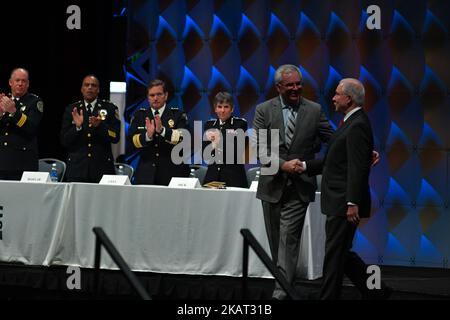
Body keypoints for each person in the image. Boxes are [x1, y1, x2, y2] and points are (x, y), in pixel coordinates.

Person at [301, 78, 391, 300]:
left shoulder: (358, 124)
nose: (333, 97)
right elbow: (335, 159)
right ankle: (378, 291)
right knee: (342, 252)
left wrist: (352, 202)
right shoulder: (350, 122)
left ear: (348, 98)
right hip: (339, 200)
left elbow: (357, 168)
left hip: (343, 201)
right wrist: (303, 166)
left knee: (334, 254)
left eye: (337, 93)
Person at [252, 64, 334, 299]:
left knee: (289, 240)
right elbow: (260, 148)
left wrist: (362, 147)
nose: (296, 88)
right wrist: (282, 165)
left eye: (299, 84)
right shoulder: (264, 110)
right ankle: (285, 282)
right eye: (291, 85)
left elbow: (334, 138)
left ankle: (281, 292)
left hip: (300, 185)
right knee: (276, 240)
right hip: (271, 186)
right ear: (279, 87)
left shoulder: (315, 110)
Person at [128, 79, 189, 185]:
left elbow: (184, 139)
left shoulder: (178, 115)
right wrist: (147, 136)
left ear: (166, 95)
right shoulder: (139, 115)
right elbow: (131, 142)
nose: (155, 98)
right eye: (152, 95)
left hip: (172, 173)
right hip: (145, 174)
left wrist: (162, 131)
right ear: (148, 97)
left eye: (159, 94)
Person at [60, 75, 121, 183]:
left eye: (93, 85)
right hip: (77, 169)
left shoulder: (109, 108)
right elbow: (64, 140)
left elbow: (115, 136)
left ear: (98, 90)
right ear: (82, 89)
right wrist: (77, 127)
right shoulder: (72, 109)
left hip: (101, 169)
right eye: (86, 85)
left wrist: (100, 126)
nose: (89, 88)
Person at [0, 68, 43, 180]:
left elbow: (31, 127)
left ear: (28, 84)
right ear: (10, 82)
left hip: (22, 162)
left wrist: (14, 112)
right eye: (17, 80)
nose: (20, 84)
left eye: (23, 81)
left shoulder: (34, 102)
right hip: (2, 160)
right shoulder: (3, 100)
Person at [203, 92, 248, 188]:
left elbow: (236, 151)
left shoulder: (240, 124)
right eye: (219, 107)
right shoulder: (209, 125)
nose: (222, 110)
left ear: (232, 109)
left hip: (234, 176)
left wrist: (217, 141)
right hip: (213, 176)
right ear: (215, 108)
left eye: (226, 107)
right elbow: (205, 153)